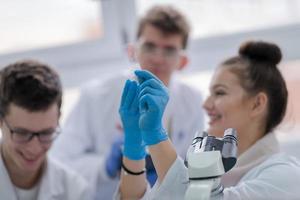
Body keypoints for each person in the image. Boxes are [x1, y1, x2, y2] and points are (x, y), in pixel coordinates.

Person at [50, 5, 204, 199]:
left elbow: (199, 174)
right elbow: (59, 162)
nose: (158, 58)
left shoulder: (193, 101)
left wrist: (168, 170)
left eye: (169, 51)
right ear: (133, 50)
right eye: (149, 46)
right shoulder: (96, 95)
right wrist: (104, 166)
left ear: (182, 62)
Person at [116, 41, 300, 199]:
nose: (205, 104)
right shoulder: (211, 172)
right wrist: (134, 145)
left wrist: (155, 134)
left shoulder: (286, 176)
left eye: (219, 92)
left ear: (257, 104)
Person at [0, 60, 91, 200]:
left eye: (46, 133)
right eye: (22, 133)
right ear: (1, 122)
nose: (34, 147)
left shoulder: (75, 191)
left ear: (58, 119)